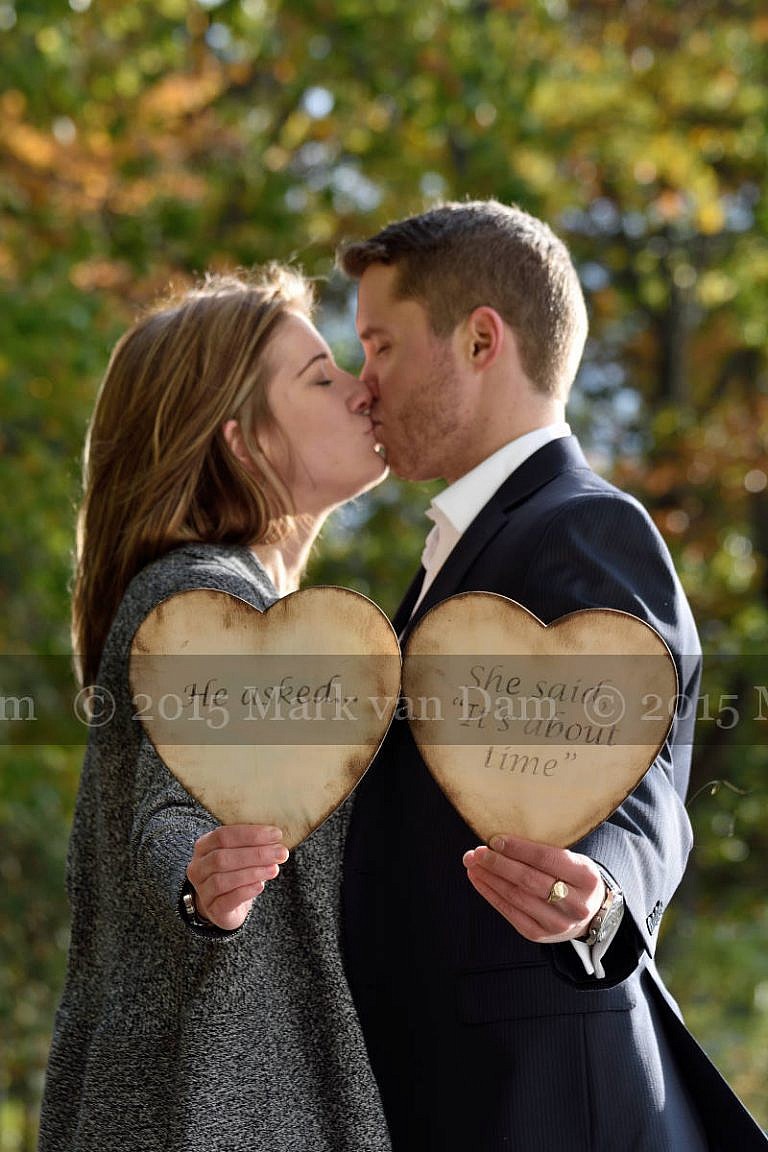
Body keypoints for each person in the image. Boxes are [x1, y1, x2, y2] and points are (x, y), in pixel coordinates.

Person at [337, 201, 767, 1150]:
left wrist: (599, 898)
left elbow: (642, 782)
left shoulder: (582, 525)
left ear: (482, 340)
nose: (362, 386)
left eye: (381, 346)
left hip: (541, 1101)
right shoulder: (450, 550)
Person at [38, 267, 394, 1151]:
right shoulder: (201, 599)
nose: (364, 389)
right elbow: (173, 811)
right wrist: (202, 883)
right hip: (207, 1113)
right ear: (242, 443)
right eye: (322, 378)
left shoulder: (199, 596)